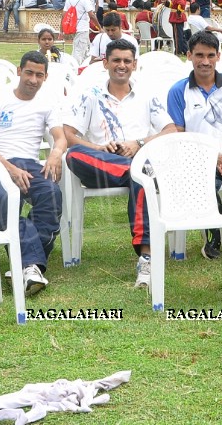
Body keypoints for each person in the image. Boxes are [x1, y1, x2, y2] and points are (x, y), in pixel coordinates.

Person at [64, 39, 175, 289]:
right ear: (105, 63)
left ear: (134, 65)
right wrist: (100, 148)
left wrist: (138, 143)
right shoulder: (90, 95)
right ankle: (134, 171)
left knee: (141, 175)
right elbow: (70, 135)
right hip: (101, 165)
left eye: (127, 61)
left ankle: (146, 258)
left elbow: (170, 129)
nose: (121, 65)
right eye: (116, 60)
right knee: (75, 156)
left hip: (138, 159)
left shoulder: (146, 95)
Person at [0, 51, 67, 295]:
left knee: (51, 194)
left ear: (46, 77)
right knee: (7, 200)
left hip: (30, 163)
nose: (33, 80)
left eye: (39, 75)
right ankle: (31, 266)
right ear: (19, 71)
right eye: (28, 73)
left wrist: (54, 154)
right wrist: (9, 168)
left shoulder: (48, 101)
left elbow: (59, 138)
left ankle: (28, 265)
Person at [166, 30, 222, 259]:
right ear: (189, 56)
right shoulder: (178, 90)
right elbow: (179, 134)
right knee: (198, 186)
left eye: (210, 55)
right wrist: (212, 158)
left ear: (218, 57)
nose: (205, 62)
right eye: (199, 55)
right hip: (196, 157)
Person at [64, 0, 95, 65]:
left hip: (73, 27)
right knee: (78, 51)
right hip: (82, 28)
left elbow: (64, 15)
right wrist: (99, 27)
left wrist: (61, 30)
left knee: (86, 49)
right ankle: (75, 68)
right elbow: (91, 15)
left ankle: (84, 66)